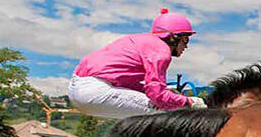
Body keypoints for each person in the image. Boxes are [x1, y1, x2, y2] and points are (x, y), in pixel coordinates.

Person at [68, 8, 205, 119]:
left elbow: (133, 87)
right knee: (167, 112)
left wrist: (172, 96)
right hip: (95, 91)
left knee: (136, 114)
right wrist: (189, 102)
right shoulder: (161, 50)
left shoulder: (140, 40)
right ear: (173, 37)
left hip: (77, 89)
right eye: (185, 40)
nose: (186, 46)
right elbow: (157, 96)